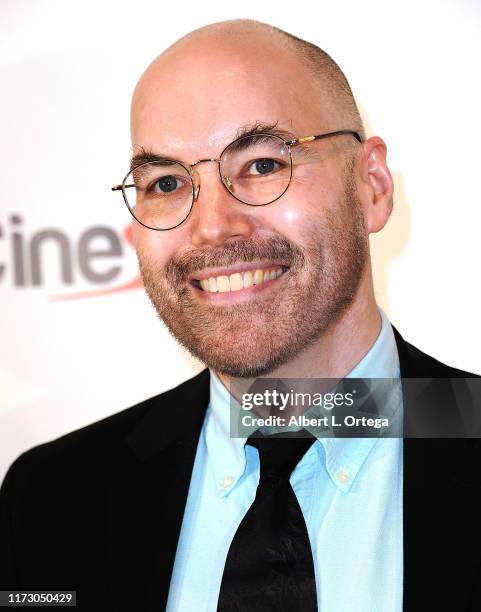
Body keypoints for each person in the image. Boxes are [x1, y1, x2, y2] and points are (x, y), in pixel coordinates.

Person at [0, 19, 479, 612]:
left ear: (372, 186)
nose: (213, 226)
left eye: (262, 165)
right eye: (168, 182)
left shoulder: (469, 425)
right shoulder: (49, 498)